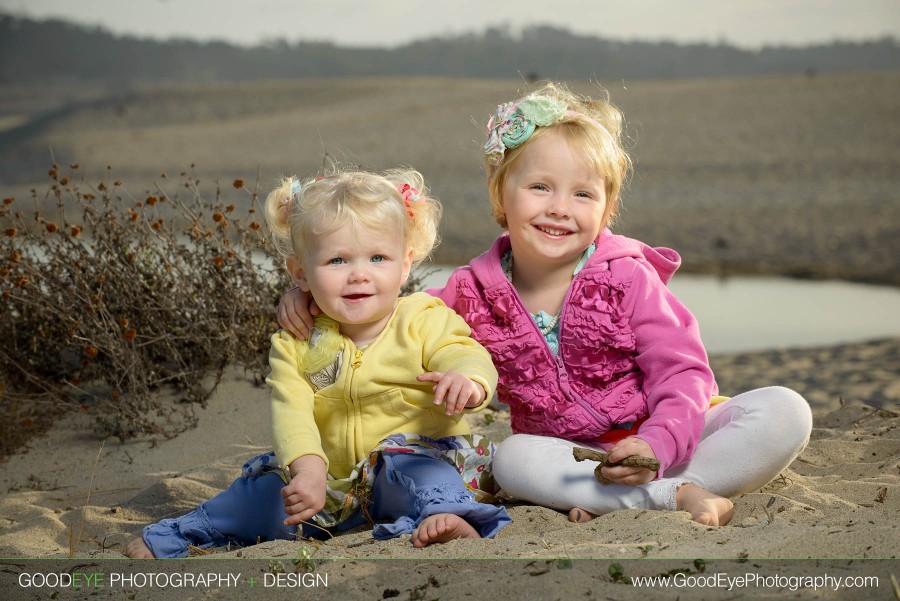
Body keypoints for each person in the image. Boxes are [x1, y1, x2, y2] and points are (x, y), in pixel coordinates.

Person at [277, 82, 813, 528]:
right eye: (539, 187)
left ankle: (659, 487)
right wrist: (311, 295)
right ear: (500, 195)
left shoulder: (627, 277)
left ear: (607, 209)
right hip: (572, 456)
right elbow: (391, 314)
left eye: (583, 194)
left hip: (667, 437)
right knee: (513, 460)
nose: (560, 208)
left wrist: (657, 443)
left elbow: (683, 372)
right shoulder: (470, 292)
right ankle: (670, 498)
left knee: (785, 410)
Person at [125, 168, 510, 558]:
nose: (359, 274)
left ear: (406, 264)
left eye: (378, 257)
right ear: (300, 273)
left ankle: (446, 516)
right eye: (337, 260)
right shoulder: (296, 340)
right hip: (326, 479)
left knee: (423, 477)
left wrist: (468, 379)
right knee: (262, 498)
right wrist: (307, 470)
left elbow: (461, 350)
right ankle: (189, 531)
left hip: (412, 460)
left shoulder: (422, 317)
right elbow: (291, 411)